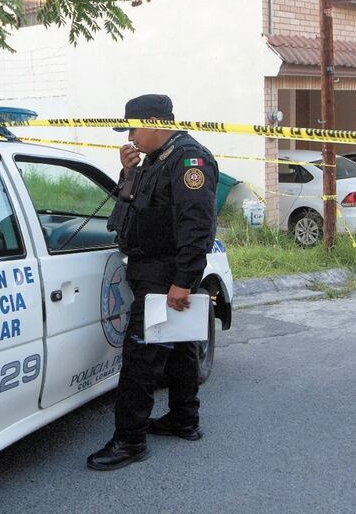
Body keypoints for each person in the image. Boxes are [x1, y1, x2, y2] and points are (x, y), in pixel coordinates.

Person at [87, 94, 218, 471]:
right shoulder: (154, 161)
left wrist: (183, 281)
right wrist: (129, 172)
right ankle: (184, 419)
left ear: (154, 122)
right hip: (153, 269)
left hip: (165, 274)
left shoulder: (189, 160)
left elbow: (197, 227)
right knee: (178, 348)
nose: (130, 137)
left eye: (133, 128)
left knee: (140, 359)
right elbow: (130, 205)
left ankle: (129, 441)